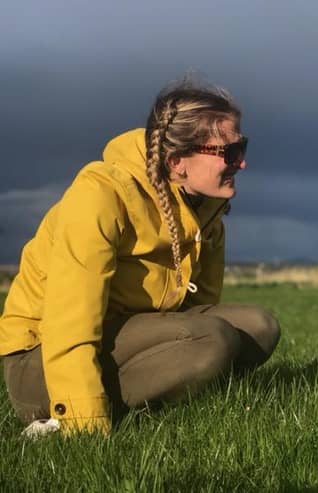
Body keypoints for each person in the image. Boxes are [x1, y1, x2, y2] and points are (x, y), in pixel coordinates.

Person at [0, 77, 281, 435]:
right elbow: (67, 322)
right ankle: (62, 419)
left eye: (242, 146)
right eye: (229, 152)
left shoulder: (207, 207)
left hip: (125, 336)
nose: (241, 164)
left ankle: (169, 402)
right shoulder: (100, 196)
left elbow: (199, 308)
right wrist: (84, 423)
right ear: (178, 161)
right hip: (40, 361)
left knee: (259, 327)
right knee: (212, 341)